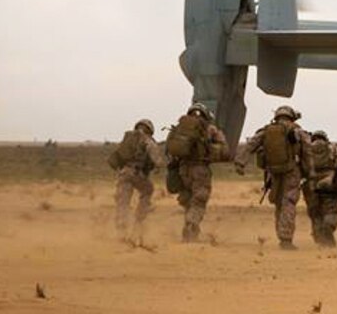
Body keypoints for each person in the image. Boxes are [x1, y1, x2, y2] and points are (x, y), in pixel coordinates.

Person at [235, 105, 313, 250]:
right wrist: (310, 172)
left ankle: (282, 235)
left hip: (273, 173)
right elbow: (308, 151)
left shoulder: (267, 131)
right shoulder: (297, 131)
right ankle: (286, 239)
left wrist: (240, 163)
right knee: (288, 202)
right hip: (292, 172)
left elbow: (251, 145)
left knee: (279, 203)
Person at [166, 102, 229, 243]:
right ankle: (191, 226)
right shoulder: (209, 128)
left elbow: (169, 149)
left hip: (183, 170)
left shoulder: (179, 128)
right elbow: (225, 151)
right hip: (200, 170)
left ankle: (191, 231)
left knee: (188, 200)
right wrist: (211, 153)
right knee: (199, 200)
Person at [109, 118, 166, 235]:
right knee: (148, 190)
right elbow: (156, 157)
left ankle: (121, 227)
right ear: (150, 130)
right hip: (137, 173)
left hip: (124, 173)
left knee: (123, 201)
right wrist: (159, 165)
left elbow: (118, 155)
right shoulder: (147, 139)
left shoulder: (128, 138)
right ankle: (139, 219)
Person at [301, 129, 337, 247]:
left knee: (315, 212)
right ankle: (328, 227)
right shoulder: (332, 148)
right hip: (329, 181)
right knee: (331, 208)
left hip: (310, 182)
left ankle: (320, 238)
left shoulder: (306, 149)